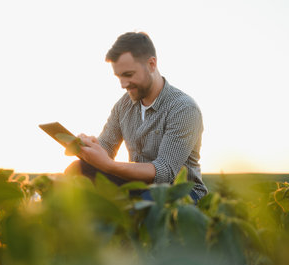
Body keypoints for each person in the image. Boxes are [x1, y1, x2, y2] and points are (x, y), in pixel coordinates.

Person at [65, 32, 207, 202]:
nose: (123, 85)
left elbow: (165, 172)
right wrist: (89, 147)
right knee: (78, 169)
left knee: (146, 203)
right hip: (138, 186)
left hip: (180, 191)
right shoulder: (123, 105)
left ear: (151, 64)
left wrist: (109, 165)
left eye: (129, 75)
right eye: (119, 77)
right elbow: (106, 149)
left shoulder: (183, 108)